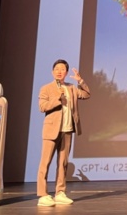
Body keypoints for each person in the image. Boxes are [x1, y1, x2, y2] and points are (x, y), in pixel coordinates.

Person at [36, 59, 90, 206]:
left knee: (63, 163)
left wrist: (80, 81)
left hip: (67, 130)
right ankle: (42, 195)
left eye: (62, 69)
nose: (59, 71)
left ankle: (60, 193)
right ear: (52, 72)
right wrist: (57, 98)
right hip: (51, 130)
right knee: (45, 163)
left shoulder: (71, 88)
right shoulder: (46, 88)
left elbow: (86, 94)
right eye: (57, 69)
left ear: (66, 72)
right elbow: (42, 106)